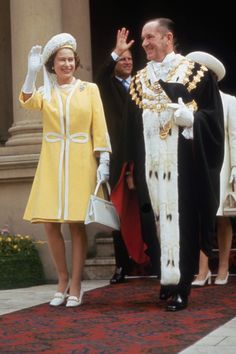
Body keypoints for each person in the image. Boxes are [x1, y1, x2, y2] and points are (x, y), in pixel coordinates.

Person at [112, 18, 224, 311]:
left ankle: (182, 287)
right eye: (143, 38)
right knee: (156, 223)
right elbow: (131, 129)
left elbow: (213, 120)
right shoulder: (139, 80)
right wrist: (132, 169)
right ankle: (167, 279)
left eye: (150, 37)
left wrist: (192, 122)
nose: (145, 43)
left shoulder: (197, 74)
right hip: (150, 168)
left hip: (184, 168)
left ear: (168, 38)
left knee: (183, 222)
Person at [19, 33, 111, 307]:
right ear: (52, 64)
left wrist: (104, 159)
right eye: (62, 60)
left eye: (71, 59)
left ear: (76, 62)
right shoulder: (46, 92)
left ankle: (76, 284)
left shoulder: (89, 89)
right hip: (52, 162)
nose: (67, 64)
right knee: (49, 223)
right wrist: (30, 73)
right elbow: (25, 100)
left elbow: (100, 126)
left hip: (81, 160)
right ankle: (61, 279)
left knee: (76, 223)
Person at [96, 28, 159, 283]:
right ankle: (121, 266)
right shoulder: (107, 86)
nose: (127, 61)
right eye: (122, 59)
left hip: (144, 156)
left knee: (147, 211)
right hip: (119, 157)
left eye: (130, 59)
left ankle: (154, 263)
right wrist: (116, 51)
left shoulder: (143, 84)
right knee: (119, 214)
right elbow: (100, 75)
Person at [186, 52, 236, 287]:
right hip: (198, 164)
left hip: (222, 165)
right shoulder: (189, 102)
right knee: (200, 216)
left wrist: (235, 166)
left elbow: (233, 137)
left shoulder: (229, 101)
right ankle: (203, 270)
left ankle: (223, 266)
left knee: (221, 218)